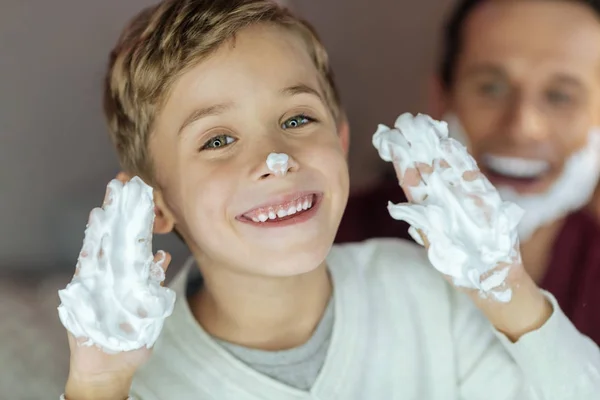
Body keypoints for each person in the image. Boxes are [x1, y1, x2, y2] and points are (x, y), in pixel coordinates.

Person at [62, 1, 600, 399]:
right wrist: (98, 385)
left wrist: (507, 291)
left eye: (297, 119)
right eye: (217, 140)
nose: (276, 158)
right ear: (152, 204)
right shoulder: (139, 379)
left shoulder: (426, 296)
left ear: (340, 141)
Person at [337, 0, 600, 346]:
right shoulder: (333, 240)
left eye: (560, 96)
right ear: (440, 97)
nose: (523, 127)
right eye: (491, 88)